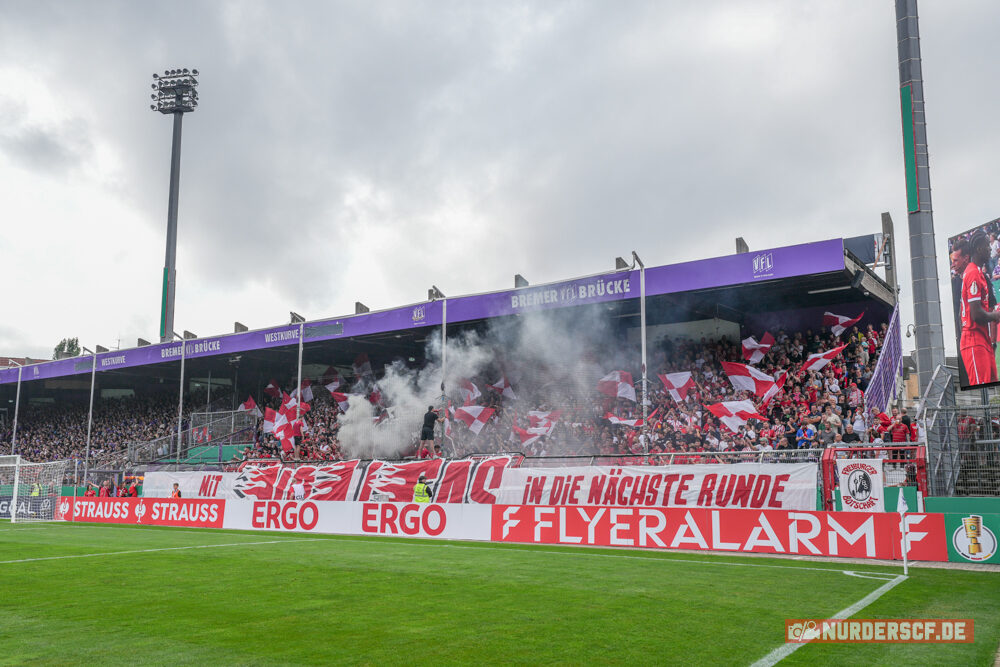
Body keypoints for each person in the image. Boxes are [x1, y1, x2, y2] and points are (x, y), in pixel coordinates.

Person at [960, 231, 1000, 385]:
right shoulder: (972, 273)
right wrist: (995, 316)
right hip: (973, 340)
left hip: (982, 339)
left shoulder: (979, 273)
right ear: (978, 249)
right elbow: (976, 314)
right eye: (986, 246)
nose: (990, 249)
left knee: (993, 386)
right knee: (981, 389)